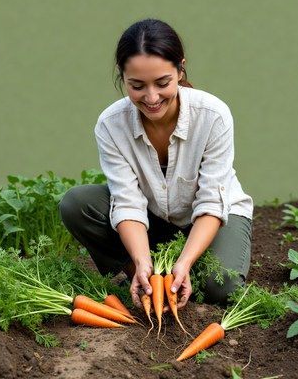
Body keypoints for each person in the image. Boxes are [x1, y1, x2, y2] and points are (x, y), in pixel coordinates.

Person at [59, 18, 253, 310]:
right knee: (76, 204)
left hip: (212, 217)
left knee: (220, 287)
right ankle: (144, 279)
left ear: (180, 69)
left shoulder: (213, 116)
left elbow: (212, 200)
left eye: (163, 83)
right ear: (122, 77)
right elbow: (127, 202)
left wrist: (185, 262)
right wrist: (141, 260)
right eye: (137, 86)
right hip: (153, 219)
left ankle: (177, 277)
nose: (151, 98)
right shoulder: (111, 125)